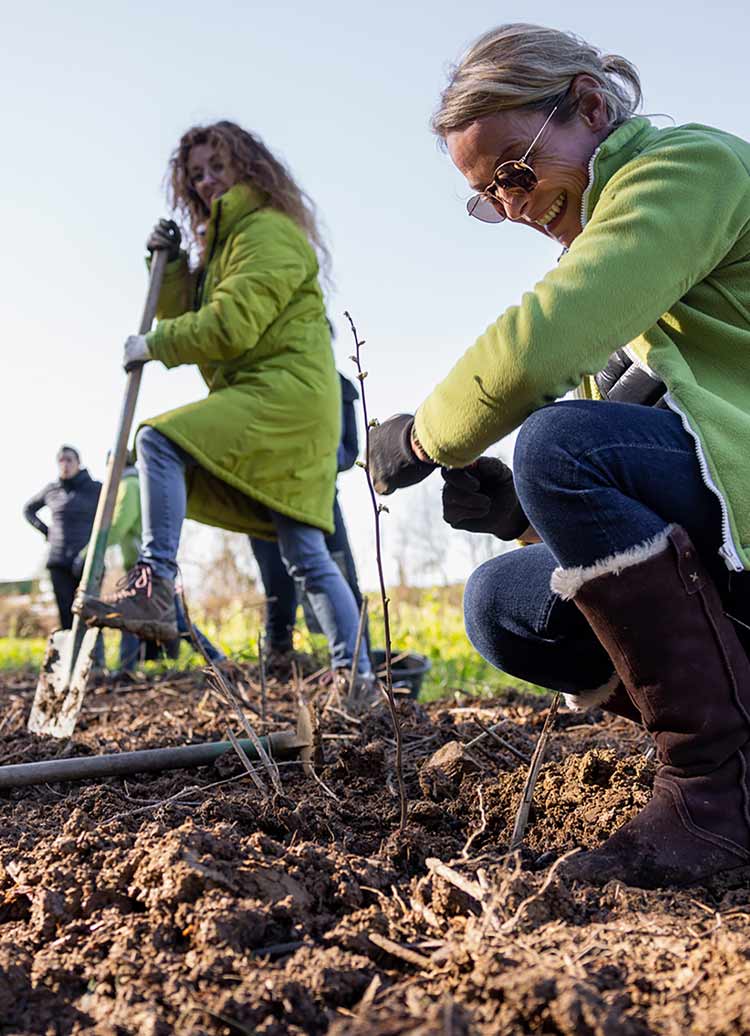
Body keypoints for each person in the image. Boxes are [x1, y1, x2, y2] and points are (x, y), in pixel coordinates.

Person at [368, 24, 750, 888]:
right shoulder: (642, 285)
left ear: (587, 105)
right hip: (735, 515)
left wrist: (424, 436)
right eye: (486, 196)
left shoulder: (688, 170)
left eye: (513, 170)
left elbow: (545, 343)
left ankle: (715, 792)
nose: (510, 206)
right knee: (504, 605)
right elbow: (628, 470)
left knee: (557, 442)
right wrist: (516, 511)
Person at [75, 121, 373, 694]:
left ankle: (156, 581)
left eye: (217, 167)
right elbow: (184, 310)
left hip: (284, 398)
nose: (207, 181)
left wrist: (152, 348)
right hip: (271, 398)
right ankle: (356, 679)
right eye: (196, 174)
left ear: (247, 167)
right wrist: (167, 264)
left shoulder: (267, 231)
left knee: (159, 440)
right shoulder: (227, 241)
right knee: (305, 553)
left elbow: (229, 326)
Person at [249, 371, 369, 667]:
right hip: (267, 494)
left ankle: (356, 663)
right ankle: (278, 655)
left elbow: (349, 449)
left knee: (338, 573)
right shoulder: (273, 374)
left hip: (319, 496)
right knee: (276, 578)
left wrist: (317, 457)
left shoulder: (339, 387)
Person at [108, 453, 223, 672]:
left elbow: (118, 525)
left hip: (144, 568)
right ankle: (215, 657)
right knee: (159, 617)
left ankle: (126, 669)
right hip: (149, 567)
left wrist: (88, 553)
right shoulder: (137, 482)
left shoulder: (129, 485)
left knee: (142, 615)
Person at [24, 446, 104, 665]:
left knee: (91, 613)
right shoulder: (52, 490)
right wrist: (46, 531)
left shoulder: (95, 489)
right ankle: (71, 664)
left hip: (87, 560)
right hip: (58, 560)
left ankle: (96, 664)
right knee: (67, 616)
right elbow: (28, 510)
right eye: (60, 460)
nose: (64, 465)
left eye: (69, 460)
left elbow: (112, 514)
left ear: (79, 462)